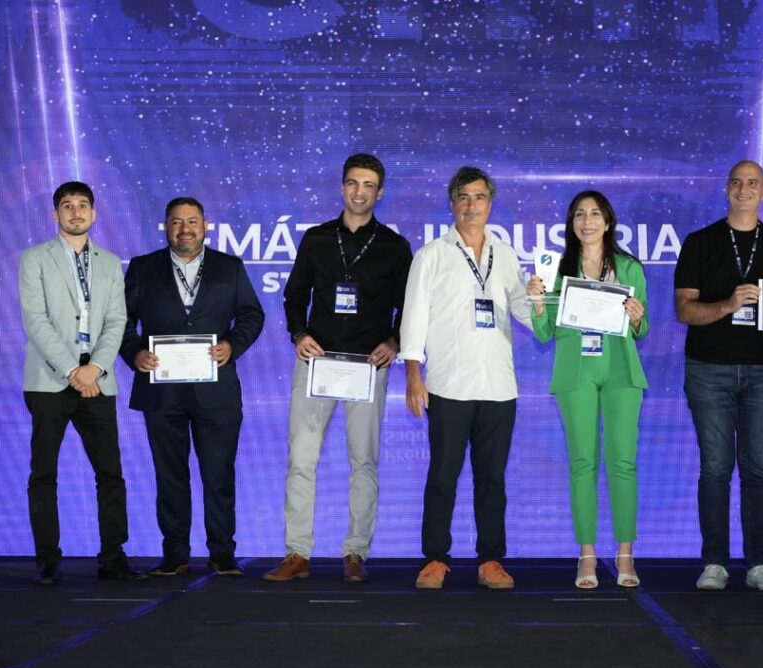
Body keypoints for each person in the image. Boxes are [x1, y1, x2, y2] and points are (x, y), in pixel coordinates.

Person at [264, 154, 412, 583]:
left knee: (363, 461)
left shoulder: (394, 246)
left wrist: (394, 341)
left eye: (368, 185)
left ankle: (355, 553)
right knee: (301, 459)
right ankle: (297, 553)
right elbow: (294, 296)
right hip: (318, 361)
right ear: (342, 187)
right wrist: (298, 335)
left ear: (380, 192)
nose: (359, 192)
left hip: (368, 365)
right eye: (352, 183)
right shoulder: (317, 239)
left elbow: (409, 306)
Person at [400, 166, 532, 590]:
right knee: (443, 476)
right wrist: (414, 375)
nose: (472, 205)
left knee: (492, 480)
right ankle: (435, 559)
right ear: (452, 204)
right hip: (448, 384)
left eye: (479, 197)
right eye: (464, 197)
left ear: (490, 204)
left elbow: (524, 313)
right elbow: (413, 318)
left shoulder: (505, 255)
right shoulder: (431, 255)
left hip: (498, 386)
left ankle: (491, 560)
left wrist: (540, 302)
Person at [120, 196, 264, 577]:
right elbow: (121, 320)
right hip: (161, 390)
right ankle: (175, 554)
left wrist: (232, 345)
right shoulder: (143, 268)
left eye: (192, 221)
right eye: (177, 222)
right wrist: (134, 353)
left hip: (215, 390)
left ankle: (222, 554)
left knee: (219, 476)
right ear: (166, 227)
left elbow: (252, 314)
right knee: (170, 478)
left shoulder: (229, 267)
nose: (185, 229)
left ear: (205, 226)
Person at [674, 160, 763, 591]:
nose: (744, 189)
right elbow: (684, 309)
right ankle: (714, 562)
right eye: (737, 182)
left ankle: (760, 563)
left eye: (753, 183)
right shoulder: (700, 242)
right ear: (726, 189)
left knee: (758, 469)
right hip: (708, 369)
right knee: (715, 468)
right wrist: (728, 304)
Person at [19, 181, 145, 584]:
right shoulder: (34, 259)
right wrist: (74, 371)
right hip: (50, 381)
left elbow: (117, 320)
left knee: (110, 474)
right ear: (55, 214)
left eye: (83, 205)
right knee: (44, 473)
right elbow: (35, 320)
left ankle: (113, 558)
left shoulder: (109, 262)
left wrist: (96, 368)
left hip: (98, 382)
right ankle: (48, 561)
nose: (76, 212)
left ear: (94, 214)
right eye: (67, 206)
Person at [526, 190, 649, 590]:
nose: (587, 221)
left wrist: (636, 318)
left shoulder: (629, 267)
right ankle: (587, 555)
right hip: (575, 369)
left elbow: (642, 327)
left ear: (608, 222)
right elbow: (544, 333)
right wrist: (538, 303)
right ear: (572, 223)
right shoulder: (558, 269)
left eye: (595, 214)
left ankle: (625, 553)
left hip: (621, 368)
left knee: (623, 462)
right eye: (579, 214)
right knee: (582, 462)